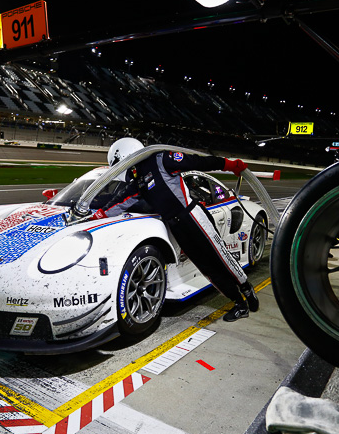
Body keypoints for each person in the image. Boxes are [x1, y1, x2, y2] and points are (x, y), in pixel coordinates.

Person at [90, 138, 259, 322]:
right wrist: (99, 215)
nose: (123, 170)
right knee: (207, 268)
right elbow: (120, 201)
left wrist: (228, 164)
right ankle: (239, 303)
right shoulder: (137, 180)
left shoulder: (160, 159)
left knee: (220, 257)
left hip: (193, 216)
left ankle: (246, 288)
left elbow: (198, 162)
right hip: (177, 226)